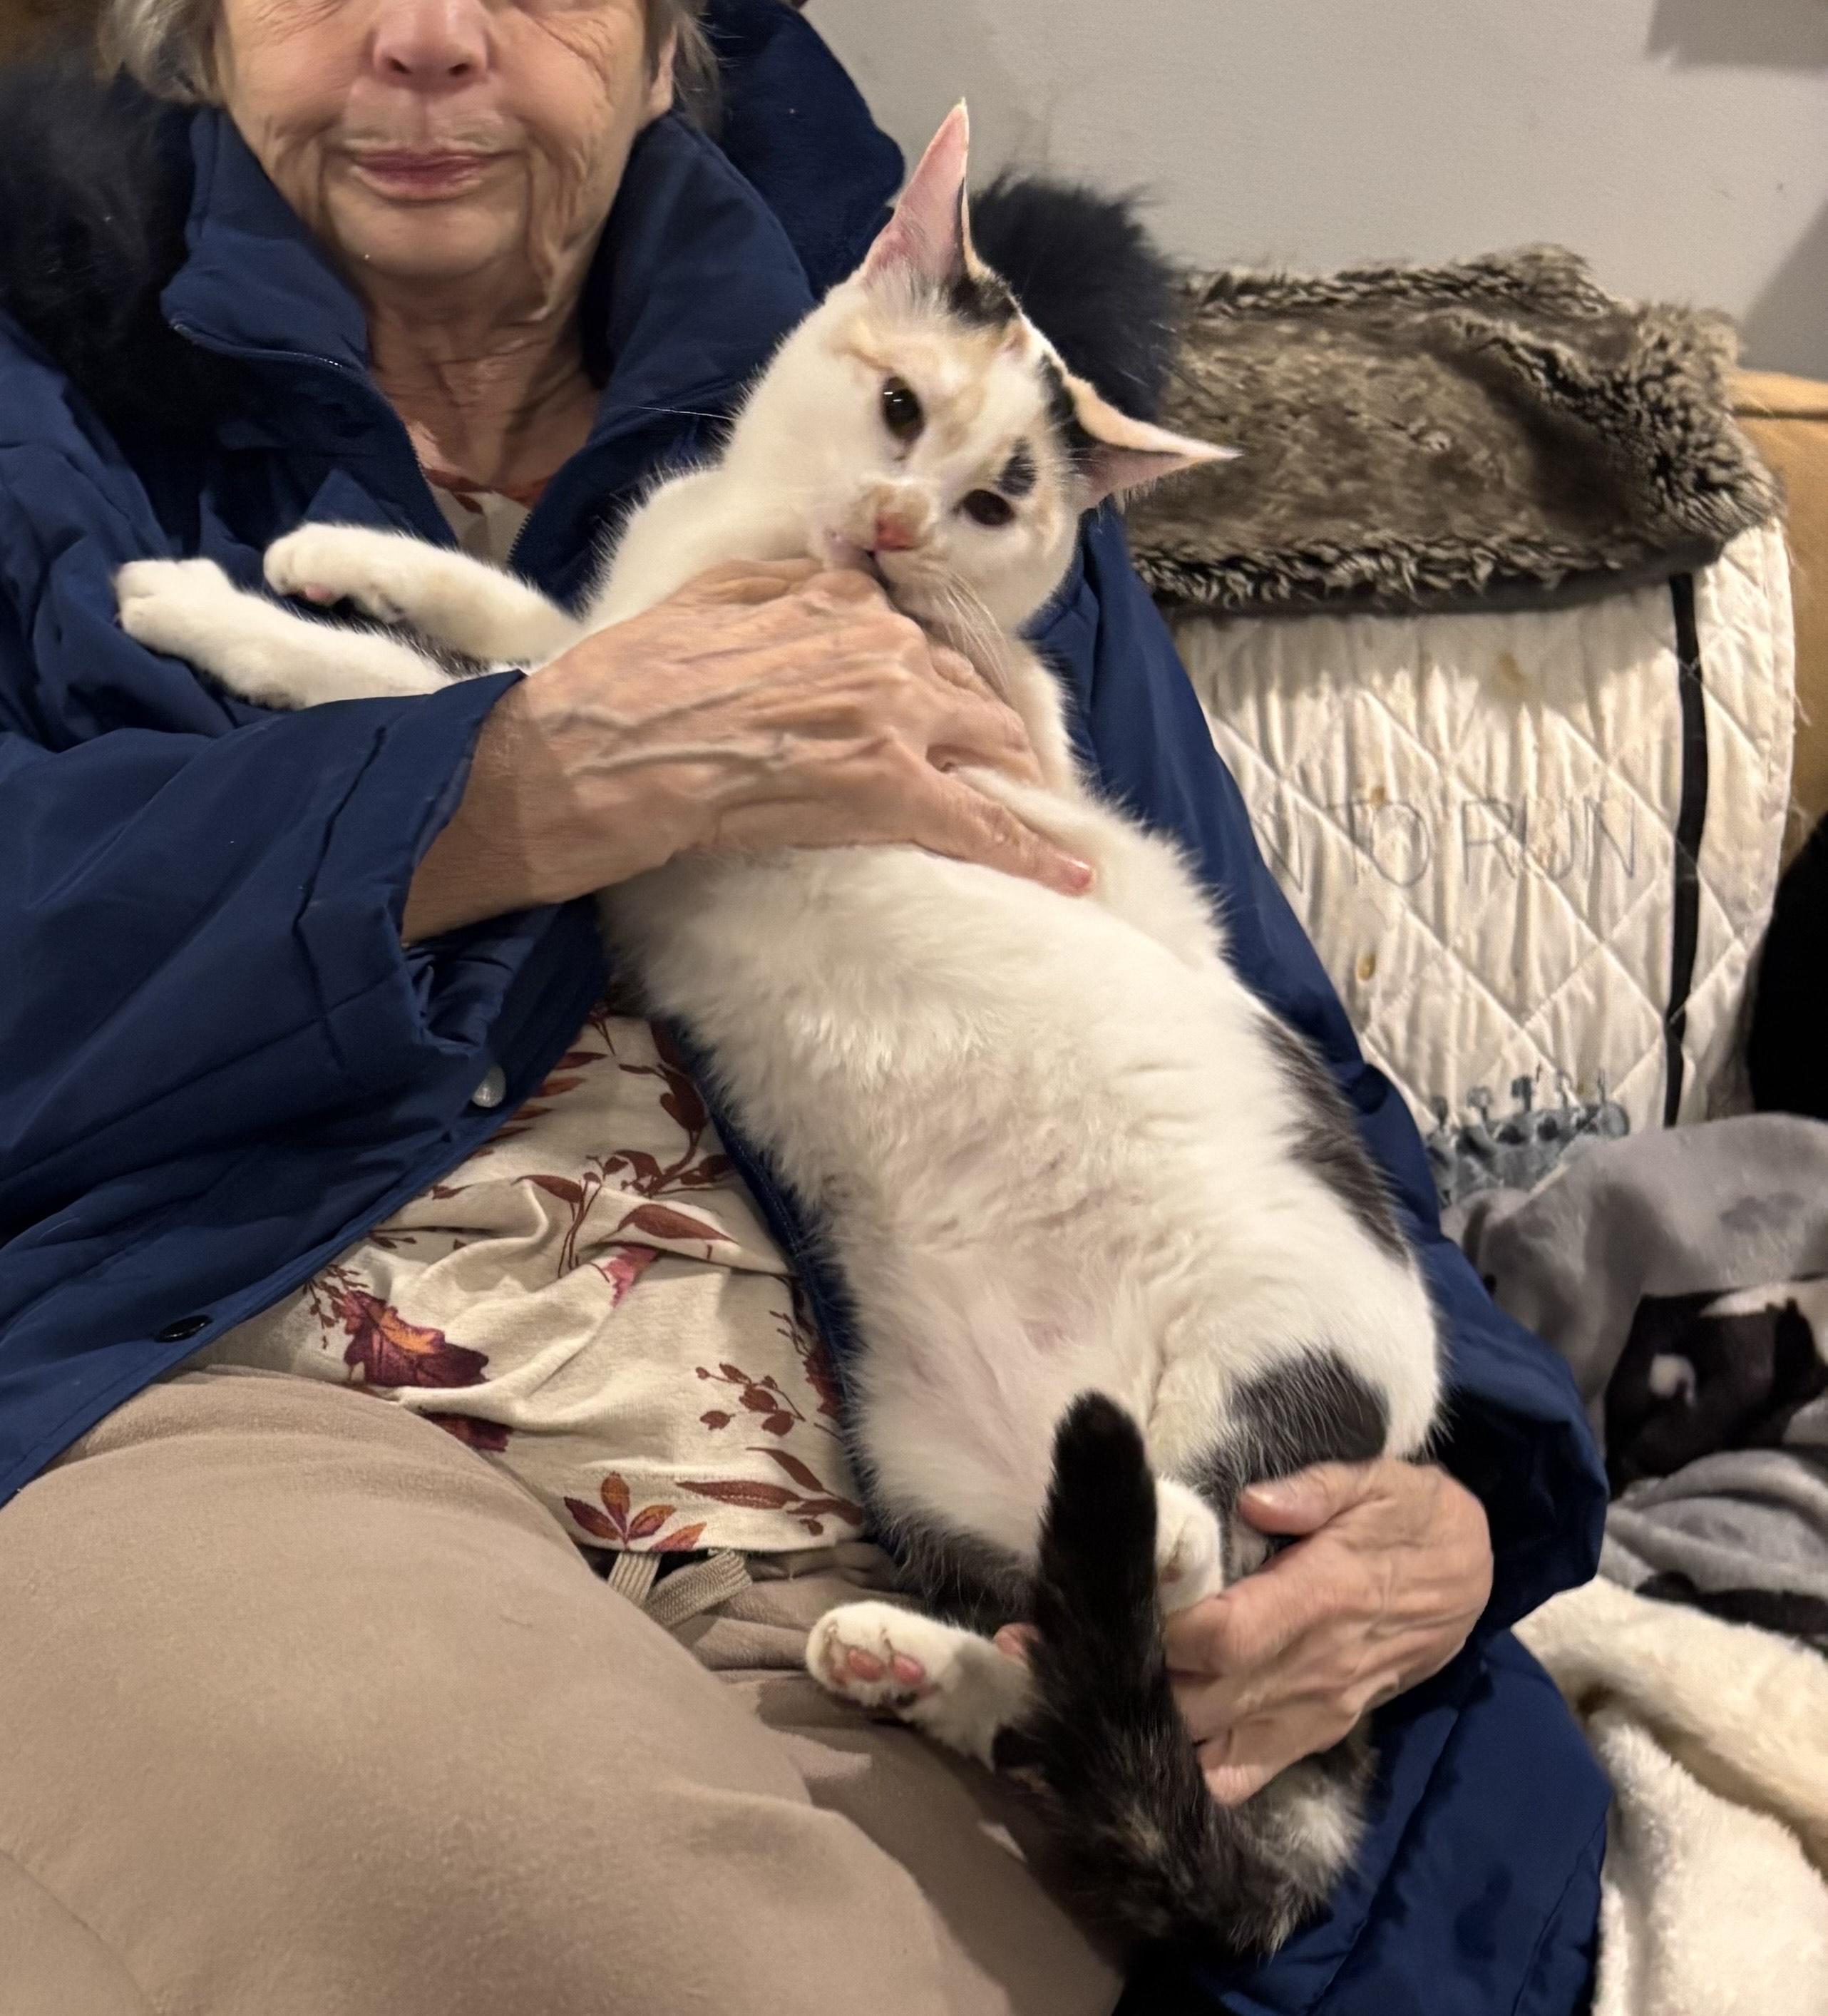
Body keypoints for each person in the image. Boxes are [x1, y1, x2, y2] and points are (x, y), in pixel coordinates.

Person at [0, 2, 1608, 2012]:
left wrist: (1446, 1499)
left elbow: (1259, 1046)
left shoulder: (965, 427)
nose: (424, 37)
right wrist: (493, 790)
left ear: (665, 35)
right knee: (606, 1927)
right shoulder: (41, 400)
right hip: (259, 1373)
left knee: (1374, 1902)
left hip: (943, 1481)